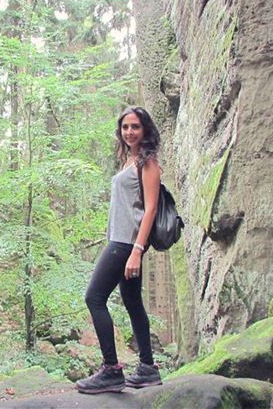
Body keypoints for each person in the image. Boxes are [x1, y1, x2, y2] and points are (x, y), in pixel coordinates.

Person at [76, 106, 163, 394]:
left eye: (135, 126)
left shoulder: (148, 163)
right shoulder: (129, 161)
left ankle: (112, 369)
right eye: (125, 127)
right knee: (132, 302)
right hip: (121, 239)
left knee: (94, 297)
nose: (129, 132)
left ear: (145, 129)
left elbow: (150, 209)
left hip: (127, 243)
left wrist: (137, 249)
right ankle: (148, 367)